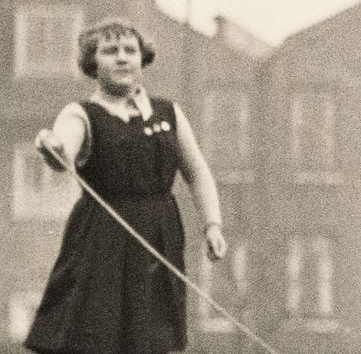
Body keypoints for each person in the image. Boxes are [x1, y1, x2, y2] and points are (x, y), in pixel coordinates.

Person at [26, 19, 226, 354]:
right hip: (101, 239)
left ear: (142, 58)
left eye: (130, 50)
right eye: (110, 51)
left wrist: (213, 224)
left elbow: (197, 172)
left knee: (152, 337)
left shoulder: (168, 113)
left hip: (159, 236)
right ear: (93, 62)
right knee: (96, 335)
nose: (122, 58)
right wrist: (52, 145)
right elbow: (63, 154)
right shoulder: (81, 113)